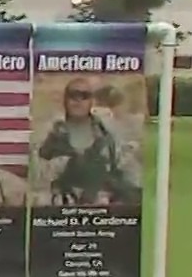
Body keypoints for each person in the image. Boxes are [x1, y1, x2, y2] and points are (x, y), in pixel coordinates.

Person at [35, 77, 141, 206]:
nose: (78, 101)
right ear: (65, 100)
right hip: (62, 200)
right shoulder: (52, 130)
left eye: (84, 96)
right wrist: (66, 163)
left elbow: (126, 165)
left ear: (91, 101)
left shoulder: (105, 130)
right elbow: (37, 174)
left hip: (104, 201)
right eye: (73, 95)